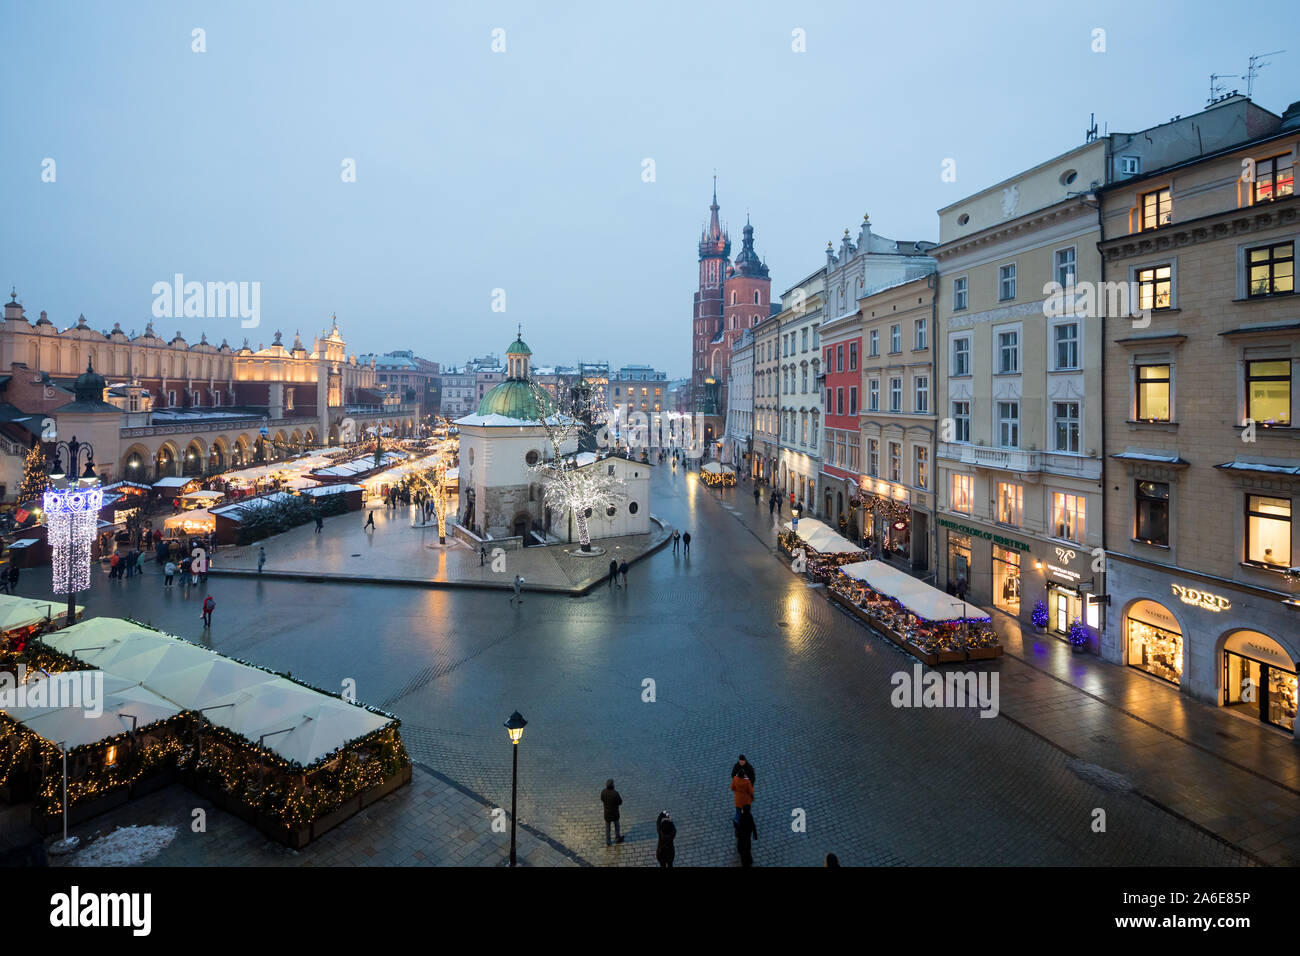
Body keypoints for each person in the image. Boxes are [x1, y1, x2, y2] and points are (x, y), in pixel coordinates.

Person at [600, 779, 624, 846]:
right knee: (616, 825)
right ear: (612, 785)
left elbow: (602, 799)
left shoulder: (603, 792)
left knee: (607, 827)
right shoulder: (615, 793)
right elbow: (620, 802)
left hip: (607, 814)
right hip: (615, 813)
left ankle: (608, 841)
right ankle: (617, 838)